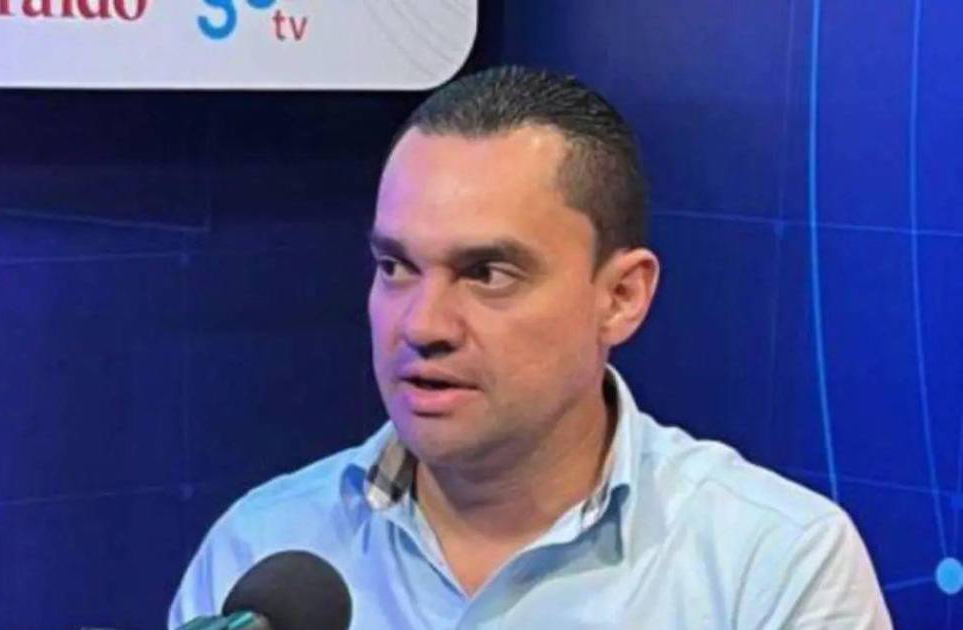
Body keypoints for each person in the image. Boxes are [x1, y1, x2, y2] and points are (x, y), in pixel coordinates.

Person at [168, 66, 891, 629]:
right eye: (396, 267)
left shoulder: (773, 563)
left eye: (487, 273)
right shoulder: (262, 552)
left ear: (622, 296)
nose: (423, 324)